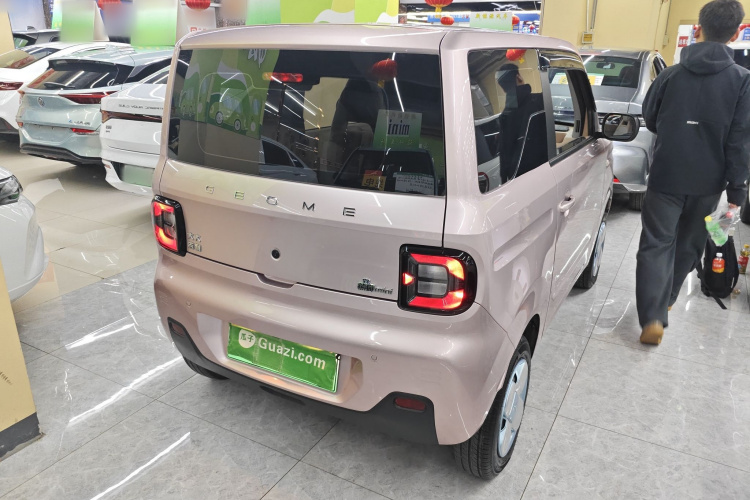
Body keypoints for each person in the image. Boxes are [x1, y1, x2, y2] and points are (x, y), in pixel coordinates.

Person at [636, 0, 750, 345]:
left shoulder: (670, 74)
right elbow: (739, 139)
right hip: (708, 181)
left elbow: (650, 118)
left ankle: (653, 317)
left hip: (666, 173)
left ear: (697, 29)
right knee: (689, 243)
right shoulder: (742, 81)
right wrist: (738, 189)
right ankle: (668, 299)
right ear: (736, 33)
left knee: (656, 243)